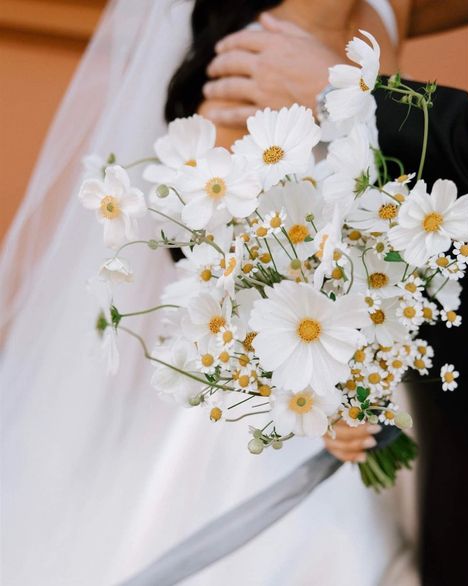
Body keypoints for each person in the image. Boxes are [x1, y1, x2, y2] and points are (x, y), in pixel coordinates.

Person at [0, 1, 434, 585]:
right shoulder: (253, 56)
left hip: (377, 379)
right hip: (282, 402)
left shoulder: (385, 10)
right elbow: (215, 268)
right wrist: (315, 397)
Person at [202, 10, 468, 585]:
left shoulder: (393, 10)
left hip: (411, 358)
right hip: (298, 379)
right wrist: (307, 386)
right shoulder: (258, 43)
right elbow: (208, 249)